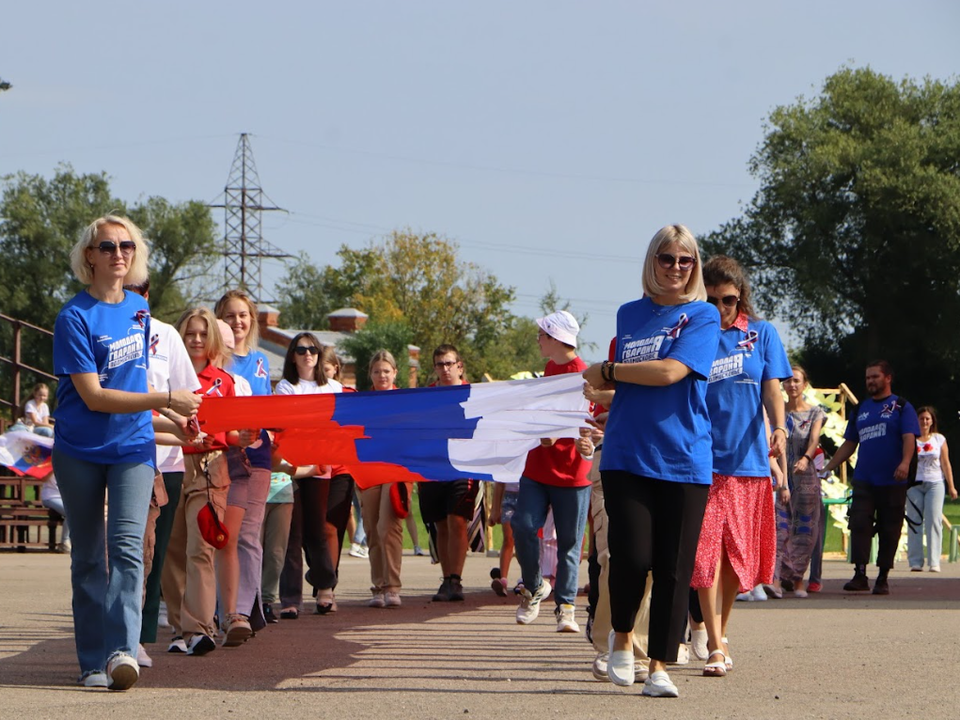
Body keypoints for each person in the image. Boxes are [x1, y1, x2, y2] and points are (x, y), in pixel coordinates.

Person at [52, 214, 201, 689]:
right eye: (108, 246)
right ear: (89, 256)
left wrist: (177, 424)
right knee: (90, 557)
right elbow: (96, 397)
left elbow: (132, 393)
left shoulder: (138, 309)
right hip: (79, 448)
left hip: (133, 448)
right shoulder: (73, 316)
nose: (119, 254)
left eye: (127, 247)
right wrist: (167, 400)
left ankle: (122, 651)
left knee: (129, 548)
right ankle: (93, 661)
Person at [583, 224, 720, 699]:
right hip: (626, 453)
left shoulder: (702, 316)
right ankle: (621, 640)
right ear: (652, 262)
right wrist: (603, 387)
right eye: (667, 259)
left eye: (686, 261)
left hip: (684, 457)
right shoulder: (629, 314)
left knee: (674, 568)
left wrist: (608, 370)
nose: (676, 269)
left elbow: (669, 372)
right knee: (630, 556)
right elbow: (635, 382)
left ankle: (659, 665)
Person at [691, 256, 790, 678]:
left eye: (728, 299)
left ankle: (719, 631)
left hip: (749, 461)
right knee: (705, 554)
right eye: (711, 300)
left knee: (736, 559)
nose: (720, 308)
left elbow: (773, 387)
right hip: (702, 460)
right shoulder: (694, 335)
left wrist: (782, 429)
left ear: (740, 297)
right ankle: (714, 643)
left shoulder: (762, 333)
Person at [123, 278, 201, 668]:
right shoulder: (106, 331)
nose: (131, 293)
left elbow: (187, 399)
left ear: (148, 293)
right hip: (118, 456)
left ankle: (138, 638)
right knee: (123, 550)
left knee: (153, 554)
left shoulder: (166, 335)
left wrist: (180, 426)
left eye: (138, 288)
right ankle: (116, 631)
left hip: (165, 460)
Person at [161, 307, 242, 657]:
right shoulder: (167, 378)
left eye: (201, 333)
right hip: (170, 462)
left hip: (210, 466)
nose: (195, 340)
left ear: (211, 339)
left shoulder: (224, 381)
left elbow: (235, 431)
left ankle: (199, 628)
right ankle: (179, 629)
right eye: (190, 333)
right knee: (171, 550)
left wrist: (246, 436)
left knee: (201, 547)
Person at [511, 310, 592, 634]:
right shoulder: (549, 368)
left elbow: (588, 419)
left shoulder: (584, 373)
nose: (538, 340)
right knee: (522, 525)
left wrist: (571, 437)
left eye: (542, 335)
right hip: (538, 466)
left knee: (570, 544)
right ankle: (534, 588)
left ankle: (566, 608)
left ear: (557, 338)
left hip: (572, 472)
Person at [821, 360, 920, 595]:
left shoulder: (901, 407)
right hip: (865, 479)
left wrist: (905, 463)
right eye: (867, 378)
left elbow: (909, 438)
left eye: (875, 377)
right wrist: (828, 467)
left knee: (890, 528)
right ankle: (860, 574)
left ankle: (883, 576)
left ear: (887, 378)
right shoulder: (861, 409)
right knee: (859, 523)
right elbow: (849, 443)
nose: (870, 381)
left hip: (893, 479)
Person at [215, 290, 273, 635]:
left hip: (256, 454)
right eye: (230, 315)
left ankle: (242, 611)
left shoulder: (260, 361)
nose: (237, 322)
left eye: (243, 315)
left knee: (249, 534)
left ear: (251, 320)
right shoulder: (213, 360)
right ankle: (216, 607)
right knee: (220, 532)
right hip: (220, 451)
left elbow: (267, 410)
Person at [275, 335, 344, 616]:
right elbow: (290, 425)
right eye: (301, 350)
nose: (307, 355)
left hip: (319, 466)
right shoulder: (284, 387)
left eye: (312, 350)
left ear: (319, 354)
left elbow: (336, 425)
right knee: (291, 533)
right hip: (289, 467)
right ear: (292, 356)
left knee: (317, 527)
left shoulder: (333, 386)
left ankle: (325, 587)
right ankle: (290, 599)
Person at [420, 345, 480, 602]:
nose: (445, 369)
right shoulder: (427, 396)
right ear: (434, 368)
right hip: (434, 467)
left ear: (459, 365)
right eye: (440, 364)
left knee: (457, 519)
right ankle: (446, 579)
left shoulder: (474, 394)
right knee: (441, 523)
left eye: (449, 364)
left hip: (463, 466)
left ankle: (456, 579)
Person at [770, 365, 825, 599]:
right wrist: (781, 478)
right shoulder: (777, 413)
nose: (792, 385)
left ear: (805, 384)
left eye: (797, 381)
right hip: (782, 476)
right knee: (779, 527)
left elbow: (813, 440)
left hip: (806, 477)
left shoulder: (815, 412)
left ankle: (798, 580)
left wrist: (805, 458)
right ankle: (775, 581)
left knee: (804, 528)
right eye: (788, 381)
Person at [361, 350, 407, 608]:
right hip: (369, 470)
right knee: (371, 528)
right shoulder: (364, 402)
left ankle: (392, 586)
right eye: (377, 371)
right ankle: (378, 586)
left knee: (388, 527)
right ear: (371, 374)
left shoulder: (403, 400)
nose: (382, 376)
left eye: (386, 371)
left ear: (394, 373)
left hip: (395, 469)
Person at [906, 406, 956, 572]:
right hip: (914, 484)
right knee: (914, 521)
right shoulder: (911, 438)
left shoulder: (939, 439)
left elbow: (945, 463)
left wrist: (951, 486)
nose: (925, 422)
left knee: (934, 521)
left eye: (928, 419)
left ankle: (934, 561)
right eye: (922, 418)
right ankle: (915, 560)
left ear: (932, 421)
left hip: (935, 483)